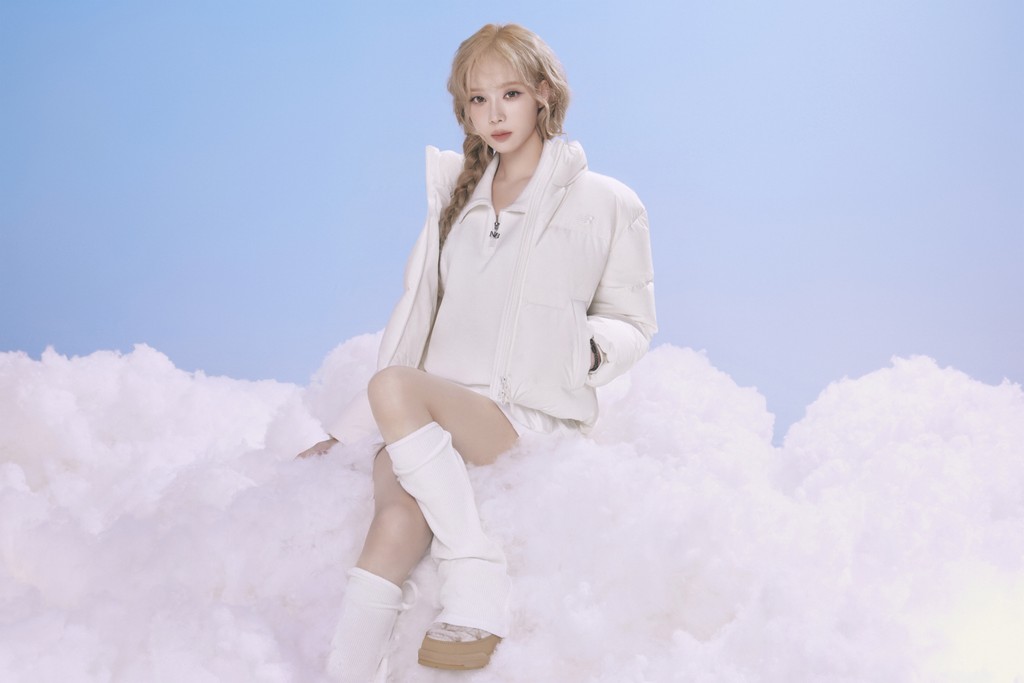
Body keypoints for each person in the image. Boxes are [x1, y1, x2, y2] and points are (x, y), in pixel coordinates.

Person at [299, 22, 657, 681]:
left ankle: (473, 564)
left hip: (518, 417)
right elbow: (413, 328)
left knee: (393, 387)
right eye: (478, 99)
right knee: (394, 523)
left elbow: (633, 320)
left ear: (543, 94)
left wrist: (584, 351)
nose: (494, 114)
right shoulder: (453, 205)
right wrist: (343, 435)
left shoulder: (608, 203)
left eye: (510, 94)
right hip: (428, 419)